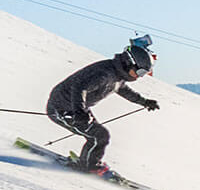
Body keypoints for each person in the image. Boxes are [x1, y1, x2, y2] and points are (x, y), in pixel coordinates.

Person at [47, 37, 160, 174]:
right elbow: (79, 88)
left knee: (98, 135)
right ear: (129, 63)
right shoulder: (105, 74)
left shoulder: (117, 74)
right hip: (62, 108)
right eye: (140, 72)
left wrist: (144, 101)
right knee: (99, 136)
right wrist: (80, 112)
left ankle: (88, 163)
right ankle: (90, 166)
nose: (139, 76)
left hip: (75, 108)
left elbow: (123, 89)